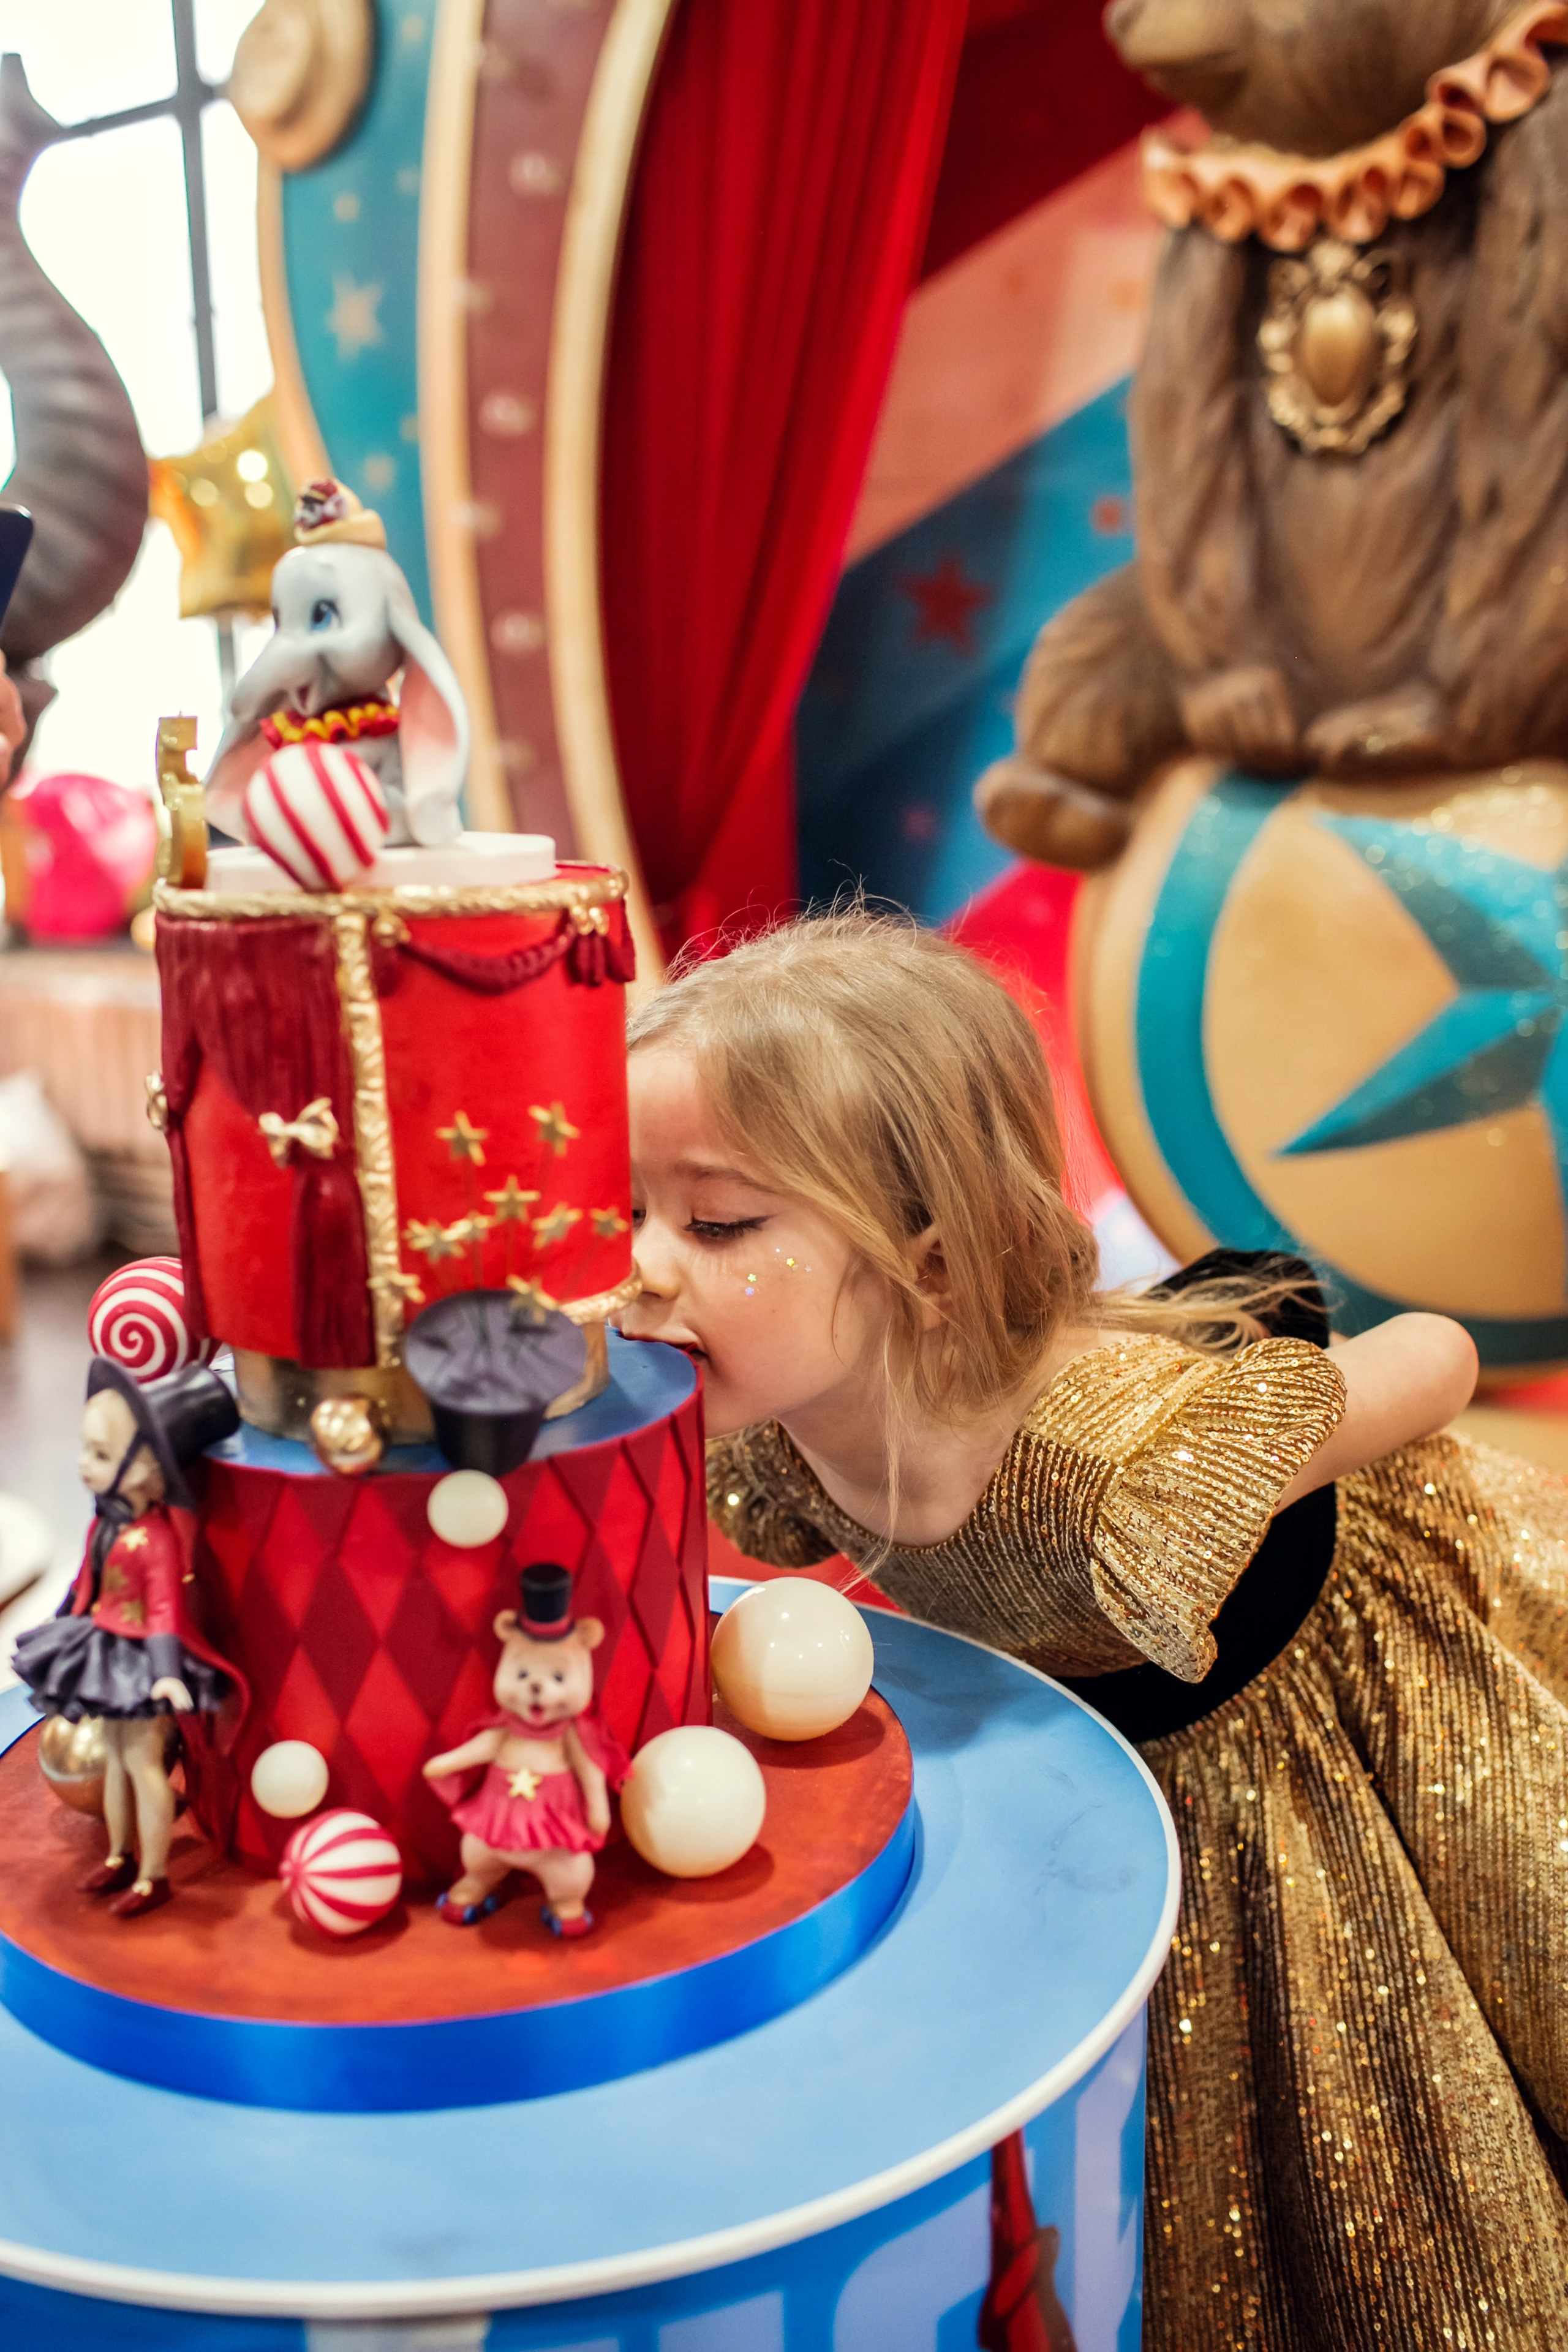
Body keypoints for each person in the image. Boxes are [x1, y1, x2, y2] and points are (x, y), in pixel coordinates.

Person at [620, 907, 1568, 2350]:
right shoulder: (787, 1418)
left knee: (1381, 2113)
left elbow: (1431, 1354)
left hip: (1321, 1715)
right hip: (1110, 1721)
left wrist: (1275, 1444)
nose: (642, 1262)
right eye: (623, 1205)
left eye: (717, 1222)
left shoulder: (1108, 1468)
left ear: (929, 1266)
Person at [13, 1359, 243, 1918]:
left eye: (100, 1454)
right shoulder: (106, 1523)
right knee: (115, 1760)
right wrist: (62, 1618)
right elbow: (85, 1582)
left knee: (141, 1764)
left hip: (139, 1659)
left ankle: (155, 1874)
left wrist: (165, 1670)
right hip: (102, 1645)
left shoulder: (155, 1540)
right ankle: (119, 1854)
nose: (83, 1465)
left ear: (144, 1471)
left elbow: (164, 1608)